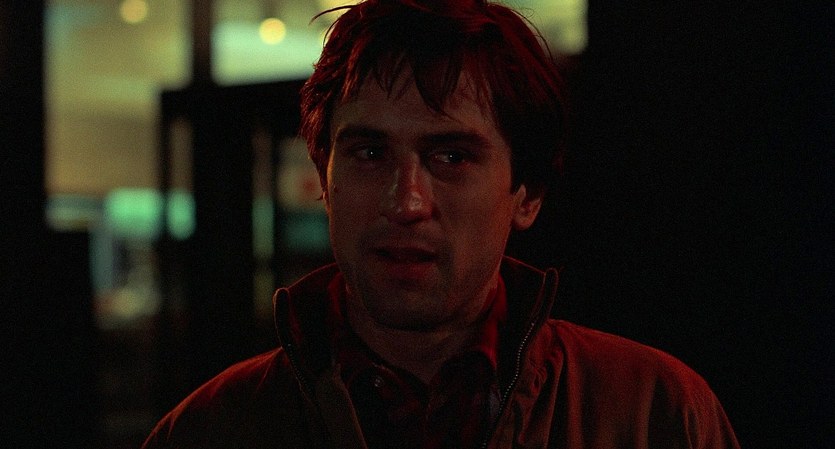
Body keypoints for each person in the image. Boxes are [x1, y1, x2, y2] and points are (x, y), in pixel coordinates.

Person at [142, 0, 740, 448]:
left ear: (526, 195)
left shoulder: (655, 414)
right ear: (324, 178)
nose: (407, 202)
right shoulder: (209, 429)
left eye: (451, 157)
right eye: (370, 153)